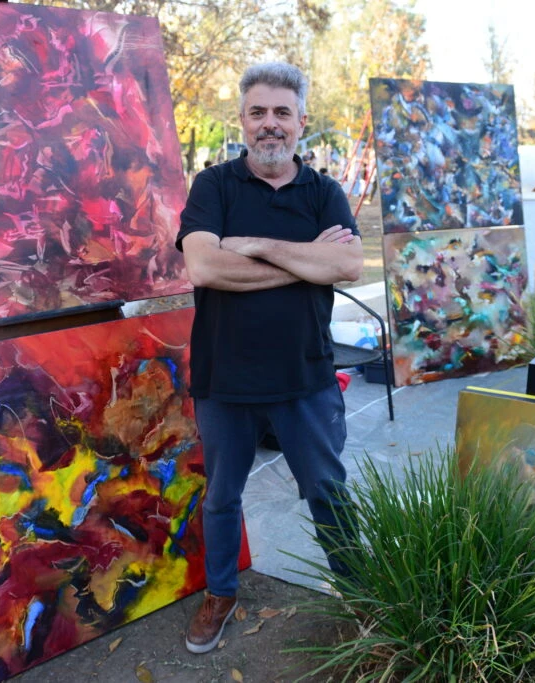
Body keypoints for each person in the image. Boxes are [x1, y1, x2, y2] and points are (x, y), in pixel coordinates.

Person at [175, 62, 363, 655]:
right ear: (242, 120)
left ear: (301, 121)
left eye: (282, 112)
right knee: (222, 496)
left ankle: (363, 592)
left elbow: (347, 265)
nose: (270, 123)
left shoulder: (324, 192)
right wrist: (305, 262)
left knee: (328, 491)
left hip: (305, 374)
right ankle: (221, 594)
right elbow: (204, 266)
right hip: (224, 376)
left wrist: (256, 246)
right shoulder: (213, 186)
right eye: (258, 112)